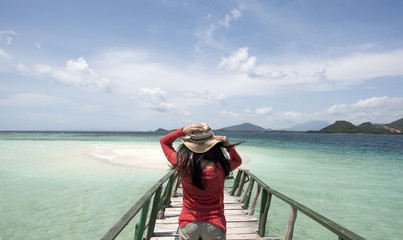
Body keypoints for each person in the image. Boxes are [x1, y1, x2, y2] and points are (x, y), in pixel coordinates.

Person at [160, 123, 242, 240]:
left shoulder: (183, 164)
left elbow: (164, 142)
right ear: (214, 145)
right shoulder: (221, 167)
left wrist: (183, 131)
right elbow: (237, 161)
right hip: (215, 223)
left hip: (188, 222)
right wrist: (228, 145)